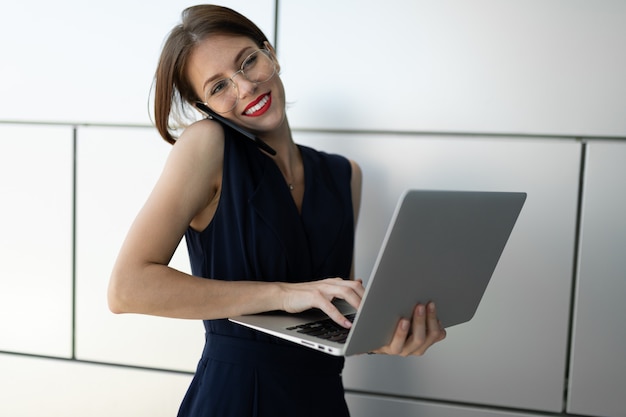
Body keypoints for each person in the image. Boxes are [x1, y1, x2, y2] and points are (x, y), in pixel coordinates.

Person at [108, 5, 446, 416]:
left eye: (248, 61)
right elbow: (127, 288)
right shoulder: (207, 145)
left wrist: (385, 337)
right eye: (218, 87)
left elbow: (334, 318)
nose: (245, 88)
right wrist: (282, 294)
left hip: (321, 401)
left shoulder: (344, 175)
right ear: (205, 107)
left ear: (270, 54)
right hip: (236, 399)